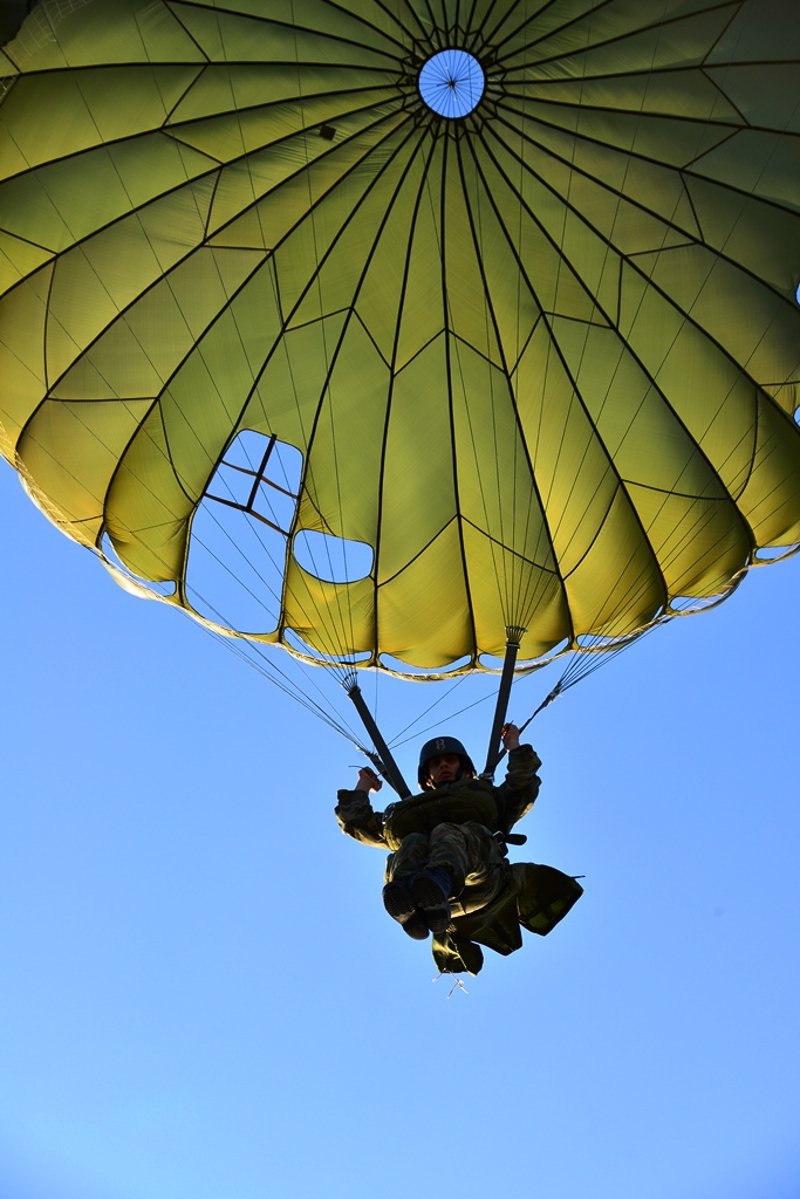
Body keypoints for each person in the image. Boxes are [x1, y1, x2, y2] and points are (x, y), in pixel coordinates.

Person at [335, 726, 582, 974]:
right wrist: (363, 785)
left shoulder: (486, 796)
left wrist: (514, 746)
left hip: (481, 880)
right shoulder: (406, 812)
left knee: (445, 832)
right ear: (427, 774)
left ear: (463, 767)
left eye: (450, 760)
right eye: (436, 763)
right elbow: (358, 824)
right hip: (436, 904)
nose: (443, 766)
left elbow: (523, 785)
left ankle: (435, 886)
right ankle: (411, 910)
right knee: (412, 842)